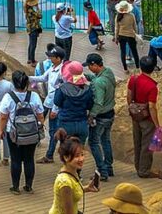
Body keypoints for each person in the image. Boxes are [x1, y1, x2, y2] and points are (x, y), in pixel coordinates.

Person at [0, 69, 45, 194]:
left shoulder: (8, 97)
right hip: (32, 134)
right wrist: (40, 127)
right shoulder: (34, 96)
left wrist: (1, 131)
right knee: (29, 159)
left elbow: (3, 117)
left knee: (16, 159)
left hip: (13, 134)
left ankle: (15, 187)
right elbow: (40, 115)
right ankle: (28, 186)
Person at [31, 45, 67, 164]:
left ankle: (50, 154)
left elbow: (60, 91)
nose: (49, 59)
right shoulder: (52, 67)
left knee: (53, 130)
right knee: (40, 122)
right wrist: (28, 78)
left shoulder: (62, 72)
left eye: (51, 57)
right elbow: (42, 78)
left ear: (58, 58)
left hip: (54, 104)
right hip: (48, 101)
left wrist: (55, 109)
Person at [49, 129, 99, 214]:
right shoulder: (65, 182)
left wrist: (86, 188)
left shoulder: (72, 171)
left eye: (82, 154)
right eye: (77, 156)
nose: (81, 159)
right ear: (66, 157)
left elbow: (73, 192)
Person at [127, 56, 161, 178]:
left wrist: (133, 110)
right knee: (147, 145)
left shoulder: (133, 79)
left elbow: (129, 96)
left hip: (136, 116)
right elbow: (152, 106)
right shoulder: (152, 86)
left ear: (141, 67)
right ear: (153, 68)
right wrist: (157, 125)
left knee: (137, 142)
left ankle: (138, 166)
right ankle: (144, 171)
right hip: (147, 118)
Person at [86, 53, 116, 181]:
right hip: (110, 113)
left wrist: (91, 116)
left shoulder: (98, 82)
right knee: (106, 140)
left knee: (93, 142)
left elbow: (98, 102)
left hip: (101, 116)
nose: (88, 68)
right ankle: (109, 167)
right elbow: (96, 78)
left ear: (94, 65)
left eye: (89, 66)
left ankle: (102, 171)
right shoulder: (108, 72)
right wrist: (86, 76)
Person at [53, 61, 94, 146]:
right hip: (82, 124)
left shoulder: (63, 88)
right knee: (78, 152)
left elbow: (56, 102)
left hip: (66, 125)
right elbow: (90, 105)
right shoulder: (87, 89)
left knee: (66, 152)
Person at [115, 0, 140, 71]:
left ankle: (125, 69)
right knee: (134, 51)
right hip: (130, 35)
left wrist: (116, 38)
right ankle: (138, 67)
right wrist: (136, 35)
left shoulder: (118, 16)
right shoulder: (131, 16)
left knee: (123, 52)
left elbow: (116, 28)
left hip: (121, 35)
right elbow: (135, 27)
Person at [25, 0, 44, 65]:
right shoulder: (31, 11)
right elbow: (40, 16)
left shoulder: (28, 9)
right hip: (33, 29)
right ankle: (32, 61)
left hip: (30, 28)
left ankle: (29, 59)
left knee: (31, 44)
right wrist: (38, 8)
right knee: (33, 45)